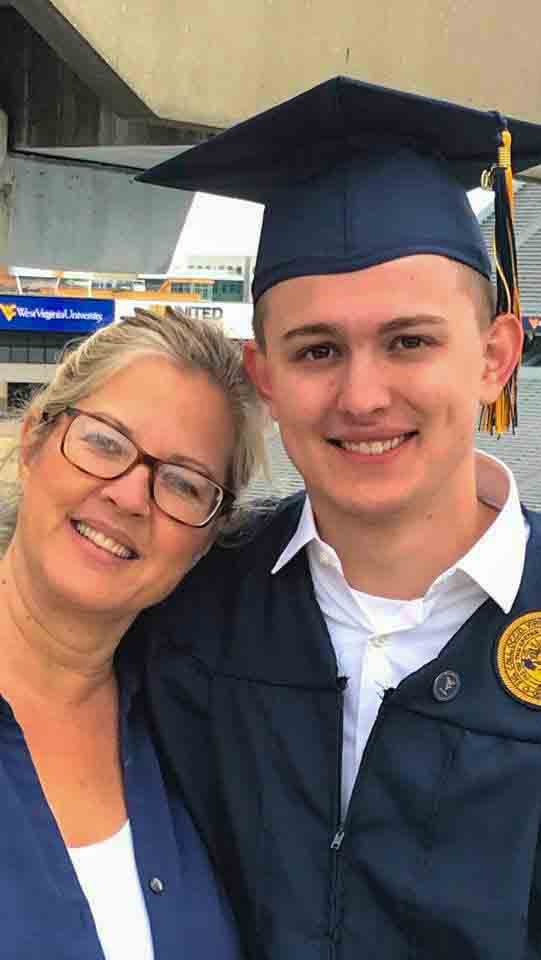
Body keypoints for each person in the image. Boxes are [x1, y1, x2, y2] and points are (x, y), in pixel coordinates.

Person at [139, 78, 541, 959]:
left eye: (409, 341)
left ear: (494, 358)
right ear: (267, 376)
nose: (362, 396)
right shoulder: (185, 604)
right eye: (317, 350)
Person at [0, 306, 263, 959]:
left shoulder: (200, 733)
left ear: (208, 539)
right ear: (34, 441)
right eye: (105, 443)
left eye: (183, 483)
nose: (128, 496)